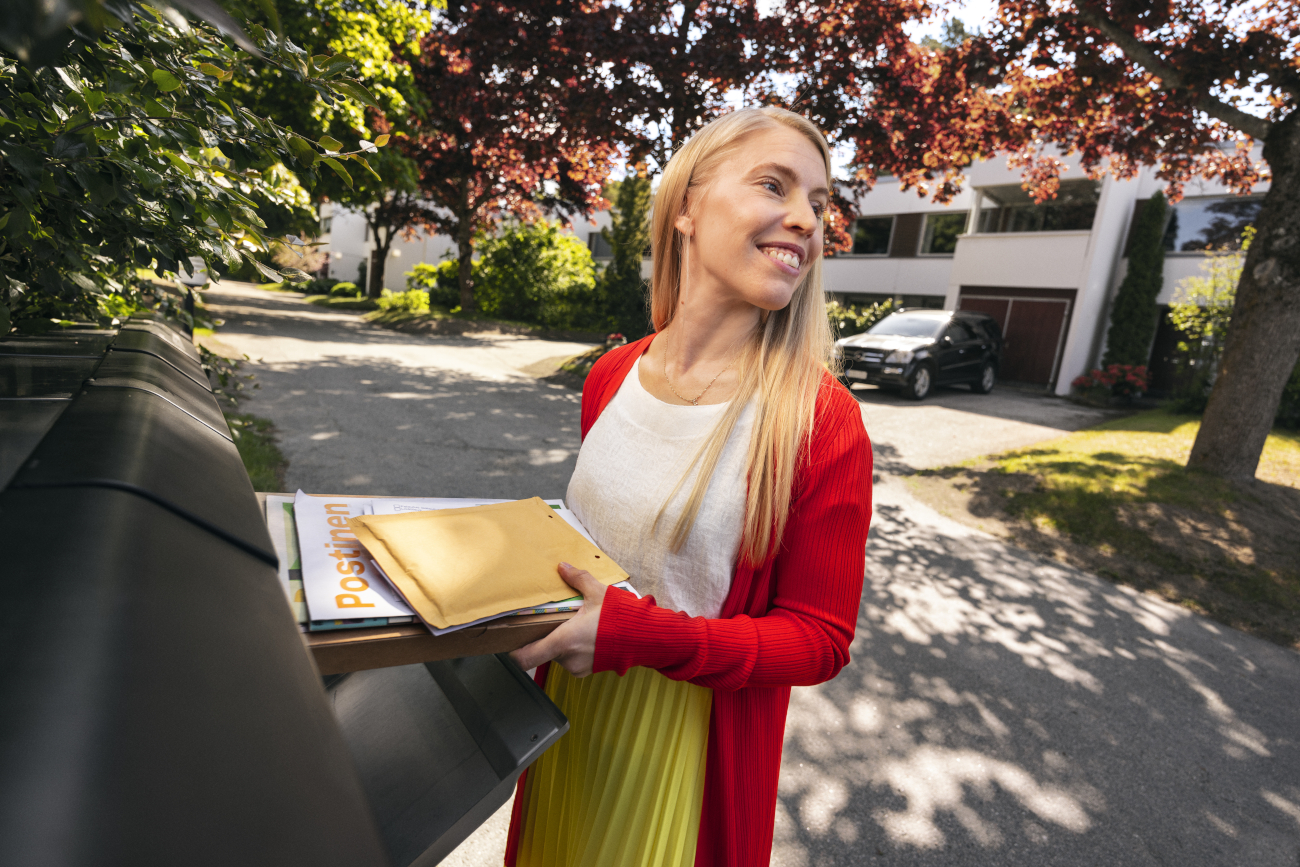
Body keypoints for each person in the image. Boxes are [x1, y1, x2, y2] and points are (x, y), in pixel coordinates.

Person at [505, 106, 873, 867]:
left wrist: (636, 634)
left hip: (684, 750)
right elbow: (596, 549)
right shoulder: (613, 374)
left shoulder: (821, 421)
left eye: (819, 203)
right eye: (774, 185)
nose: (806, 220)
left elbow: (820, 639)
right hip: (567, 710)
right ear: (686, 208)